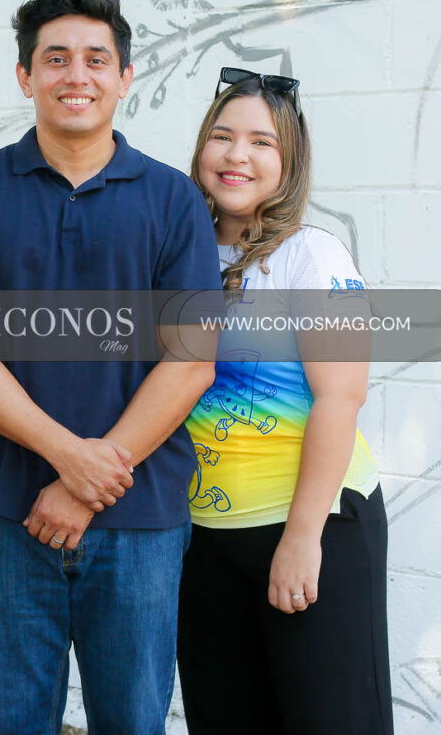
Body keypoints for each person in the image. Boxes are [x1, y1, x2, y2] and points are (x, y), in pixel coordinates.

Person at [0, 0, 222, 734]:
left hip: (140, 519)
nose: (75, 75)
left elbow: (191, 361)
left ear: (124, 77)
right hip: (6, 515)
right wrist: (68, 458)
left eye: (95, 59)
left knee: (133, 721)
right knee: (13, 720)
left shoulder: (174, 200)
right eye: (55, 58)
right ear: (26, 76)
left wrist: (88, 484)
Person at [177, 69, 393, 734]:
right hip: (204, 538)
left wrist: (302, 539)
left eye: (261, 142)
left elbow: (341, 397)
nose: (236, 155)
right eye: (222, 136)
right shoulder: (177, 255)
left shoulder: (313, 255)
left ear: (289, 162)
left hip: (314, 523)